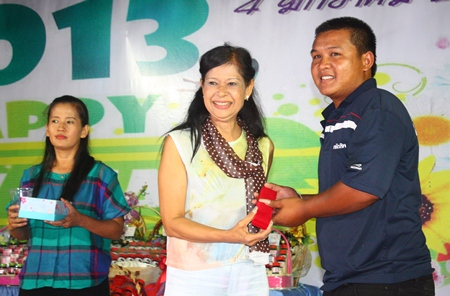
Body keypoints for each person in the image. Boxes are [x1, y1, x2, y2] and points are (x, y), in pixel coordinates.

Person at [260, 17, 435, 295]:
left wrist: (304, 210)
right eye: (316, 56)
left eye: (335, 54)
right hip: (350, 278)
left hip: (385, 278)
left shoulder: (378, 109)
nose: (322, 64)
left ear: (367, 60)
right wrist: (300, 200)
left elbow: (363, 190)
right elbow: (351, 190)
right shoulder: (339, 116)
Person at [158, 44, 274, 295]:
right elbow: (172, 223)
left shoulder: (263, 147)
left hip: (249, 267)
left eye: (232, 83)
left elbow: (257, 208)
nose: (221, 93)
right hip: (194, 271)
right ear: (202, 87)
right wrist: (230, 235)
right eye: (212, 83)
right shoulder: (179, 143)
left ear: (248, 88)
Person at [7, 96, 130, 296]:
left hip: (84, 282)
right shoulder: (30, 177)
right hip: (37, 280)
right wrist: (15, 225)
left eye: (69, 122)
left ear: (84, 131)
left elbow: (116, 230)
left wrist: (80, 220)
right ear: (47, 129)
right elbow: (25, 234)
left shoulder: (100, 175)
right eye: (55, 121)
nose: (61, 128)